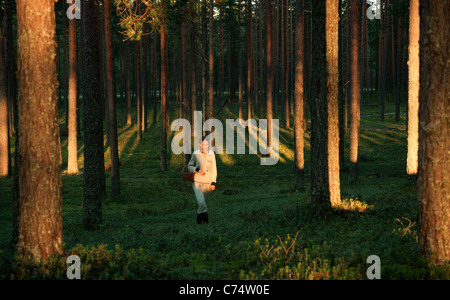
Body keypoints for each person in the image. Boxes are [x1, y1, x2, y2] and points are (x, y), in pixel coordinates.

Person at [187, 136, 217, 224]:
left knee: (205, 204)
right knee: (201, 202)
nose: (205, 146)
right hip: (197, 182)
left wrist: (213, 182)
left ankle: (199, 221)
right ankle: (206, 220)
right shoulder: (195, 153)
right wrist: (197, 169)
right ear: (200, 144)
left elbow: (214, 169)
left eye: (207, 144)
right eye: (204, 144)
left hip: (208, 182)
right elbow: (189, 166)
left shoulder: (212, 153)